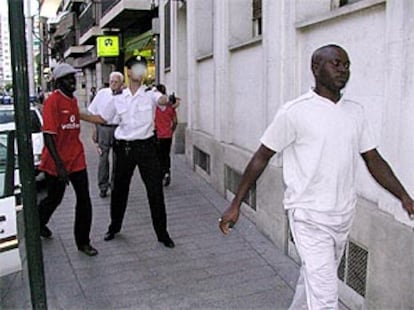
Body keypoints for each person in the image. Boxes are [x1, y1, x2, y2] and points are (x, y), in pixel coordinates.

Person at [218, 44, 414, 309]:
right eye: (336, 63)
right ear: (315, 68)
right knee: (325, 298)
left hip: (343, 215)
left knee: (312, 282)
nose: (343, 70)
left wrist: (403, 196)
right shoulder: (295, 112)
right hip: (308, 216)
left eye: (347, 65)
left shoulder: (355, 112)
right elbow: (261, 157)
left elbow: (373, 159)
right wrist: (236, 204)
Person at [83, 55, 175, 248]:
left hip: (147, 148)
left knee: (155, 191)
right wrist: (78, 115)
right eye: (136, 68)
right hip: (124, 149)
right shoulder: (118, 98)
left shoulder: (151, 93)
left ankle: (162, 233)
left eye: (143, 68)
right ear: (129, 72)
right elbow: (102, 118)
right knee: (119, 191)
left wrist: (170, 99)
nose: (141, 71)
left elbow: (163, 100)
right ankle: (114, 227)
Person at [38, 63, 98, 257]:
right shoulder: (52, 102)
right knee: (55, 199)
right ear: (58, 82)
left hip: (76, 158)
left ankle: (83, 242)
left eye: (73, 77)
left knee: (84, 199)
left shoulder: (72, 101)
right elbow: (48, 137)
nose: (73, 81)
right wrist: (60, 166)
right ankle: (38, 221)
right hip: (56, 162)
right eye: (68, 79)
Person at [88, 72, 123, 198]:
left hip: (119, 129)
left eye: (116, 82)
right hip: (104, 129)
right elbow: (93, 112)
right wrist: (94, 130)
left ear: (121, 83)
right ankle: (103, 186)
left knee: (118, 159)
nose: (113, 84)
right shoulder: (102, 93)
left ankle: (115, 185)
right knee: (103, 158)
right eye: (112, 81)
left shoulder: (125, 96)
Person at [154, 84, 179, 186]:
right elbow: (175, 121)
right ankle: (167, 172)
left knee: (158, 156)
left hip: (157, 135)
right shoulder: (170, 108)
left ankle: (160, 174)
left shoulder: (155, 107)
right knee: (166, 155)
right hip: (167, 135)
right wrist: (171, 131)